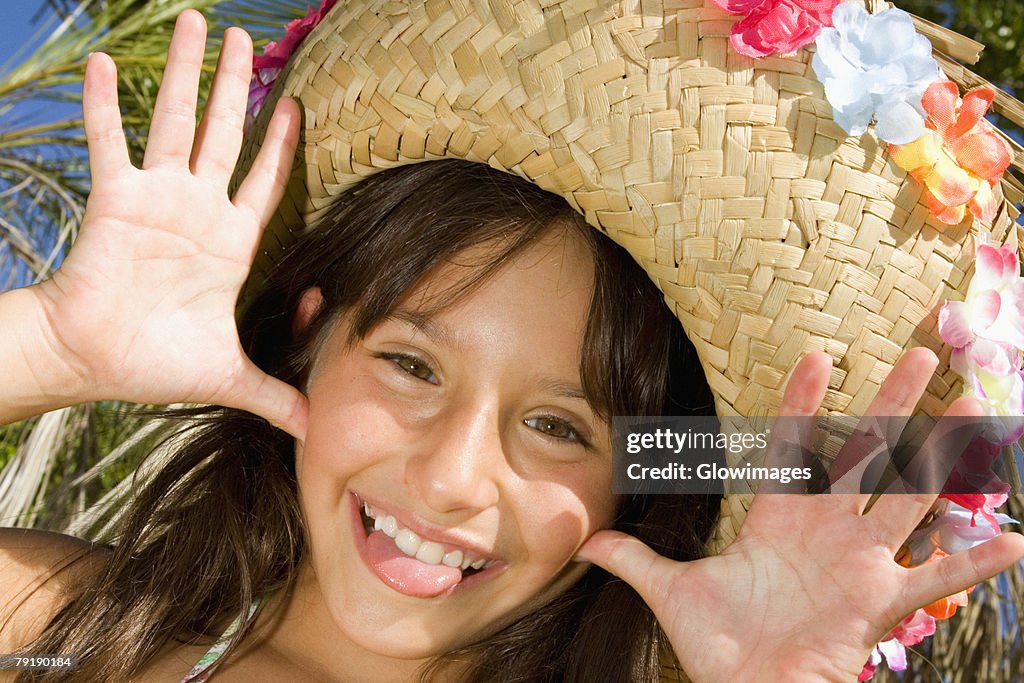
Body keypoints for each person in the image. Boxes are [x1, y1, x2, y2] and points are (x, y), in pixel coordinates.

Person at [1, 9, 1022, 683]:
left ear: (642, 484)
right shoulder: (68, 625)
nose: (449, 479)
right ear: (307, 337)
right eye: (410, 364)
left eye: (555, 424)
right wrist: (52, 343)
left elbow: (944, 452)